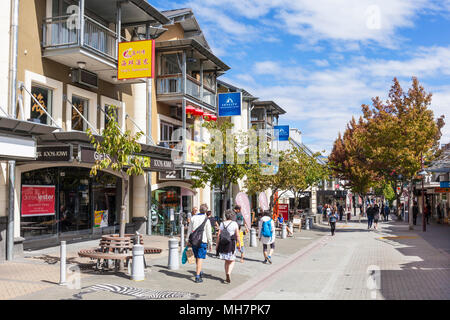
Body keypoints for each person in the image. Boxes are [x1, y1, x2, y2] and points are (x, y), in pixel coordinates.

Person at [187, 204, 212, 283]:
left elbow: (189, 230)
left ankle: (199, 271)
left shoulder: (193, 218)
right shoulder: (206, 219)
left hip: (194, 241)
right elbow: (209, 232)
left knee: (197, 257)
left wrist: (187, 240)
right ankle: (197, 276)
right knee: (200, 258)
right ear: (206, 211)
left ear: (199, 210)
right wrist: (210, 243)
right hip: (202, 241)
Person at [216, 209, 242, 283]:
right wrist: (239, 244)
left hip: (223, 243)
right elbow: (237, 235)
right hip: (231, 243)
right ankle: (228, 273)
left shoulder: (222, 224)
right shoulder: (234, 224)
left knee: (226, 261)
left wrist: (217, 245)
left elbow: (219, 235)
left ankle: (226, 274)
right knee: (232, 260)